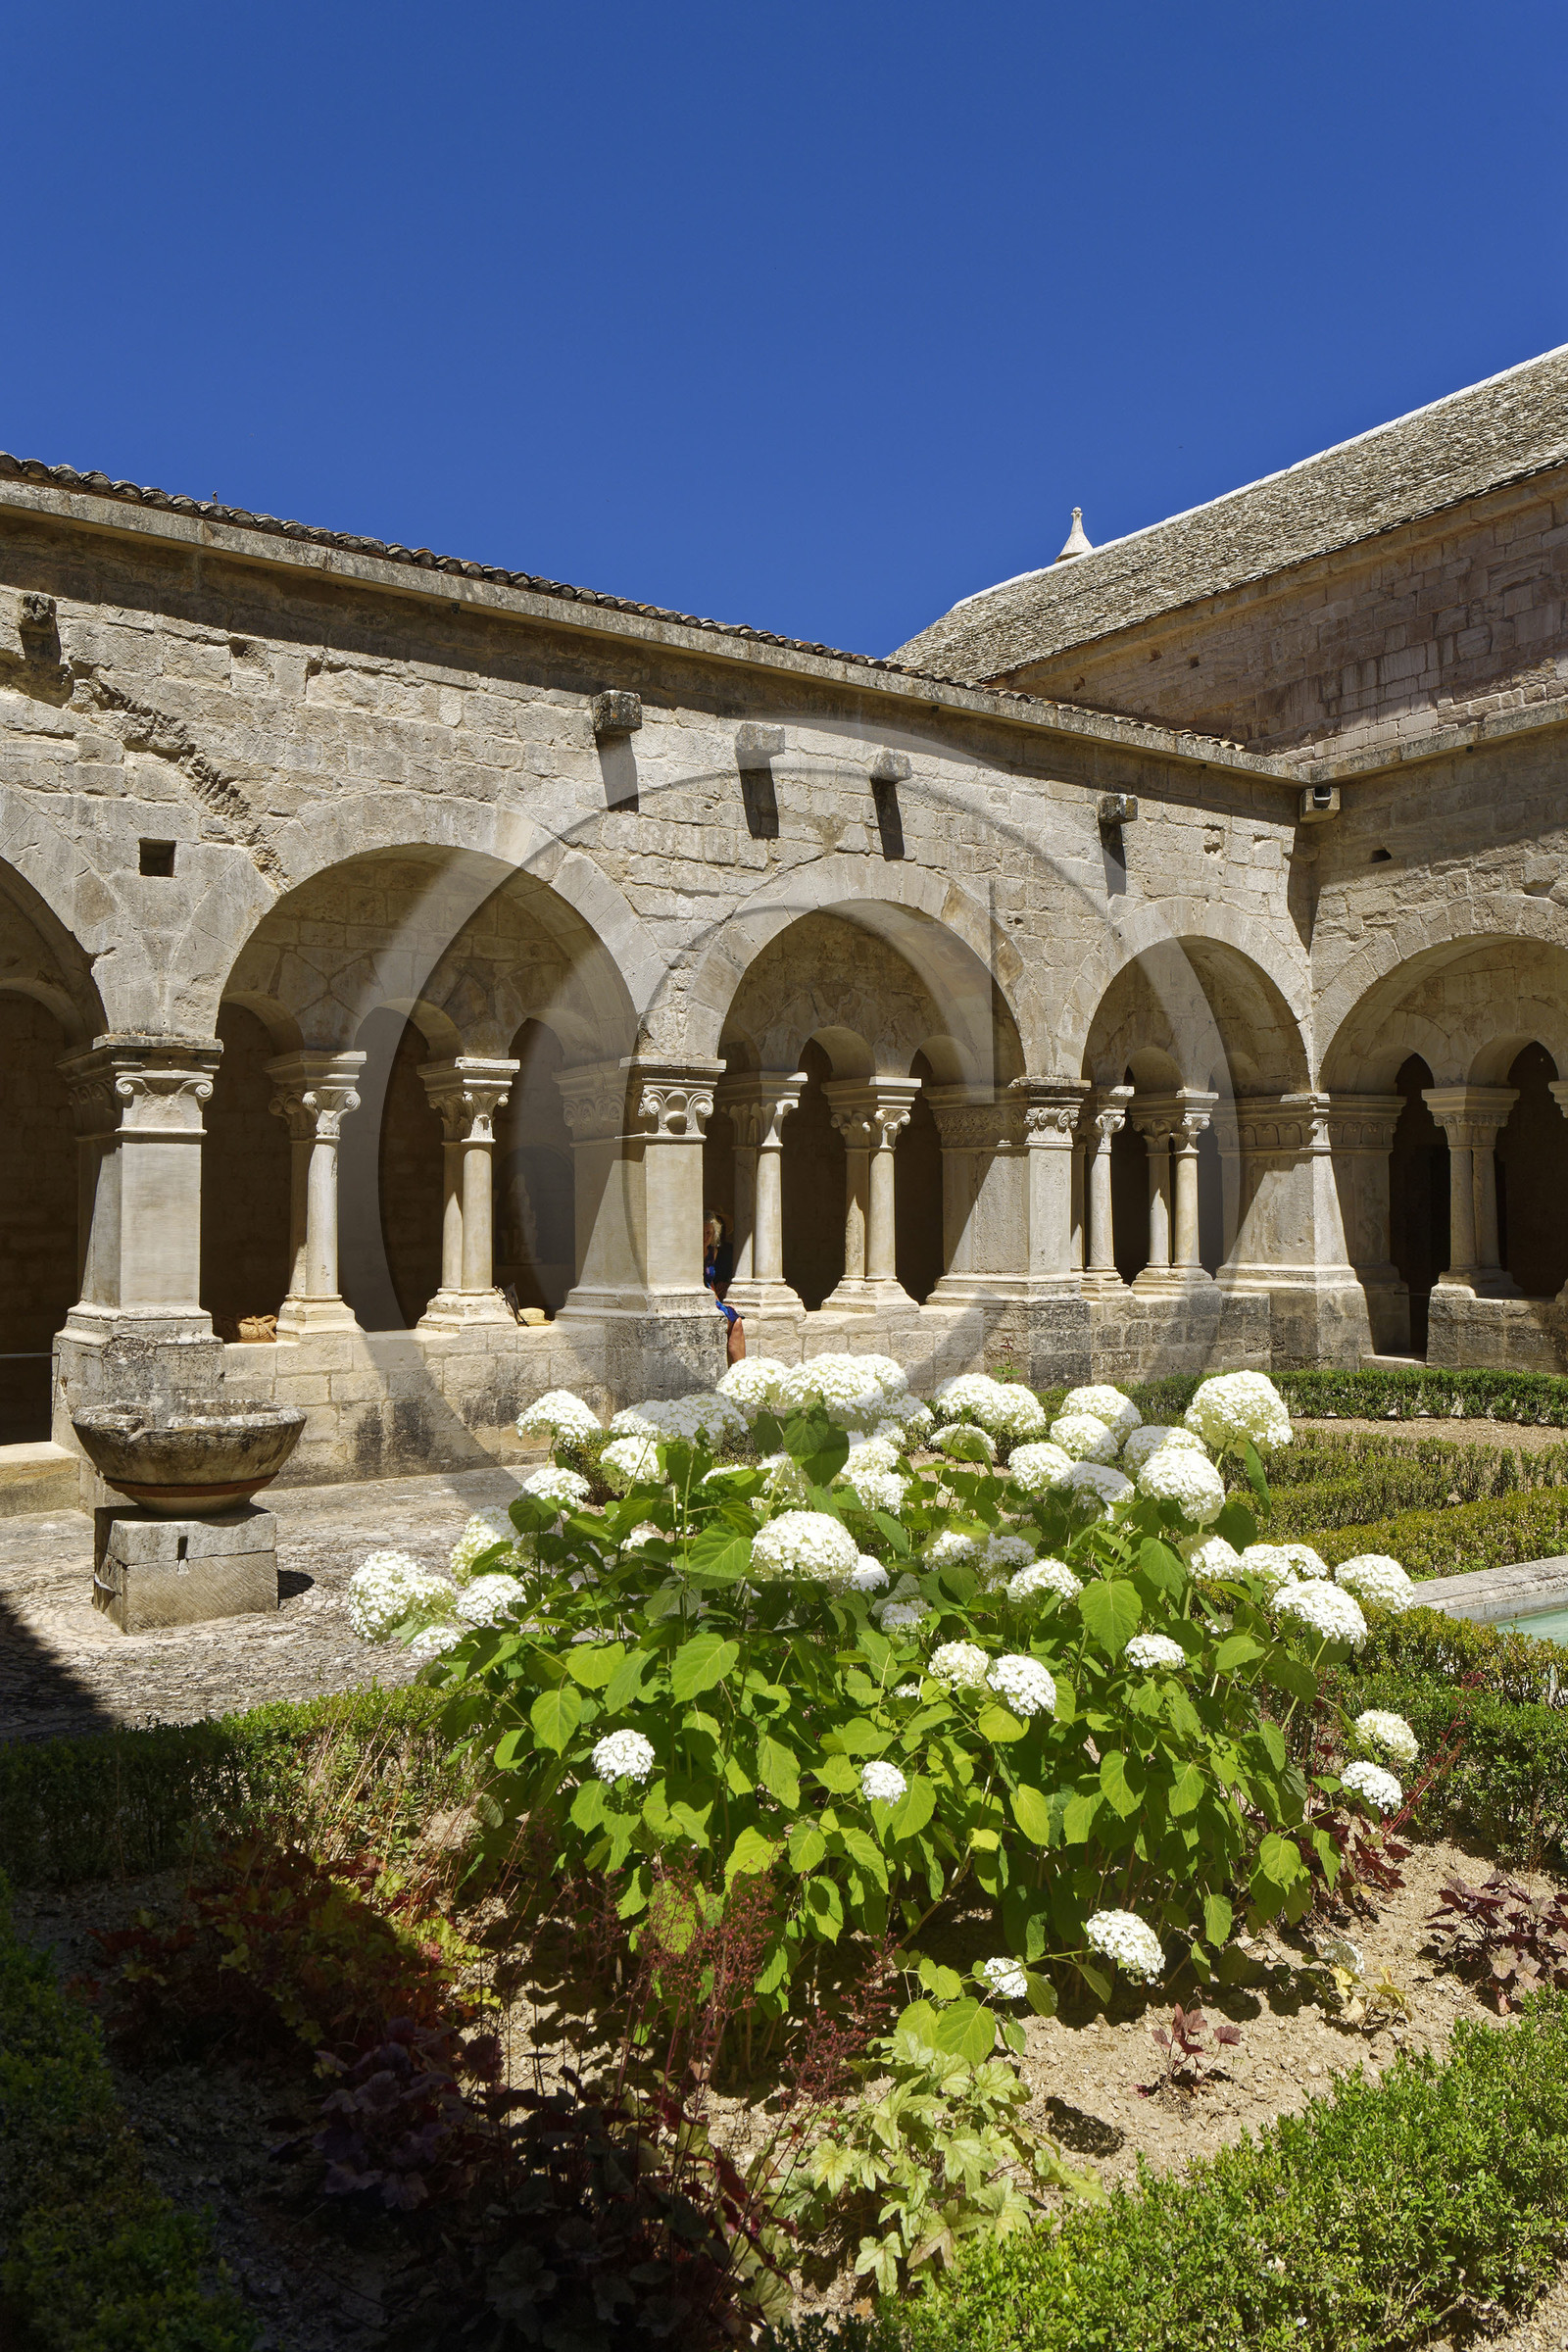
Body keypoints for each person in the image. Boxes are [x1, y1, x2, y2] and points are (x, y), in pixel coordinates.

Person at [703, 1210, 745, 1363]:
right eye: (702, 1233)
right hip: (699, 1298)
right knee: (730, 1320)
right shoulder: (691, 1254)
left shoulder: (712, 1252)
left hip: (710, 1296)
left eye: (709, 1233)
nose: (705, 1237)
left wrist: (718, 1300)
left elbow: (710, 1281)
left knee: (737, 1321)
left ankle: (742, 1370)